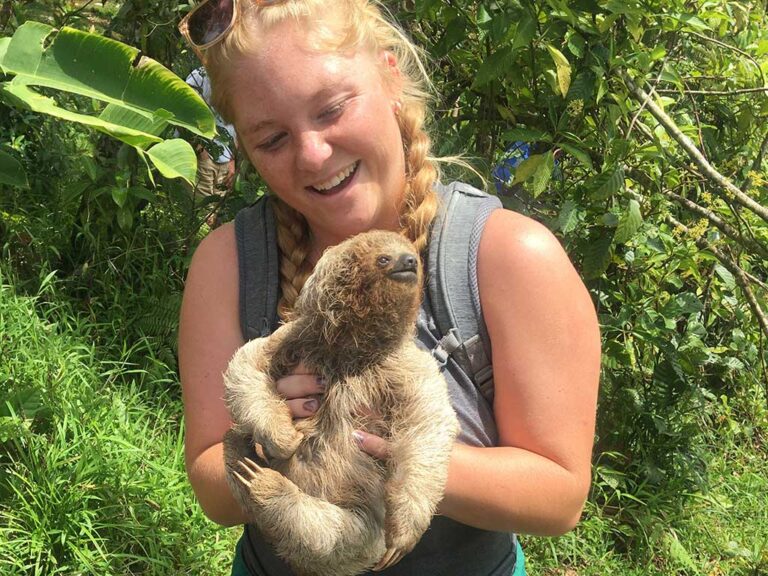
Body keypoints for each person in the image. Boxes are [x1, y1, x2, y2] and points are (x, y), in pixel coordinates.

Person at [177, 1, 601, 575]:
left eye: (331, 109)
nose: (313, 154)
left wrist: (402, 457)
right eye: (272, 139)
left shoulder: (506, 257)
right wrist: (276, 431)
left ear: (390, 75)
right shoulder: (228, 263)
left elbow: (559, 495)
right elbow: (211, 485)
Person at [185, 65, 237, 218]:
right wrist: (201, 151)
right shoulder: (199, 76)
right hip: (202, 156)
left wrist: (232, 159)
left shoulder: (237, 76)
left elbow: (237, 122)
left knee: (218, 216)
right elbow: (184, 112)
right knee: (203, 216)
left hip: (226, 157)